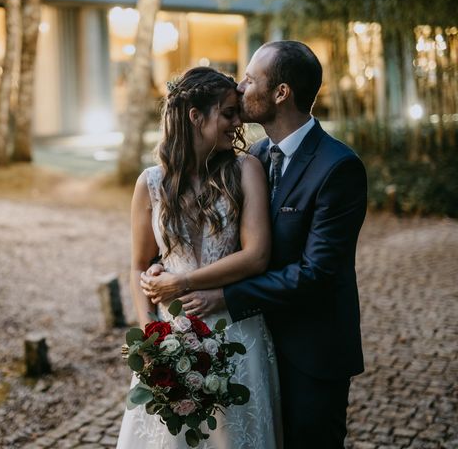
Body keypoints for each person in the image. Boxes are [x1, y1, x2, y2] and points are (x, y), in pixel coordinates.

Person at [141, 41, 367, 448]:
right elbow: (199, 226)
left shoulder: (338, 167)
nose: (240, 88)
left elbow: (316, 273)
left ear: (281, 93)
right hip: (249, 346)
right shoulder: (251, 158)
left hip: (310, 350)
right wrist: (162, 266)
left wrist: (223, 295)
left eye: (250, 79)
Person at [116, 66, 283, 448]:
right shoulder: (151, 183)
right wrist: (149, 343)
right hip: (171, 337)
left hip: (237, 332)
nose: (237, 122)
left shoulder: (246, 170)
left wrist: (182, 281)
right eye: (228, 113)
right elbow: (139, 265)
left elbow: (257, 256)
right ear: (195, 116)